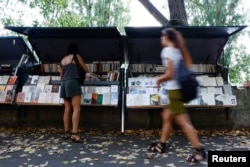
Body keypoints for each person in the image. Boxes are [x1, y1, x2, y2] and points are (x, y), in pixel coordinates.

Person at [146, 28, 206, 163]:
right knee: (166, 116)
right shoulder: (178, 50)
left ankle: (199, 151)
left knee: (184, 122)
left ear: (167, 38)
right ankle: (161, 145)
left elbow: (170, 74)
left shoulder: (167, 51)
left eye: (162, 36)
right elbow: (188, 66)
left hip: (174, 91)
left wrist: (158, 80)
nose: (161, 39)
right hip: (179, 90)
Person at [60, 43, 88, 143]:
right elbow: (86, 69)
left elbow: (61, 76)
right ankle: (75, 134)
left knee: (67, 109)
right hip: (73, 82)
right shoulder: (76, 56)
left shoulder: (63, 60)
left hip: (64, 84)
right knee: (77, 108)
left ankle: (66, 133)